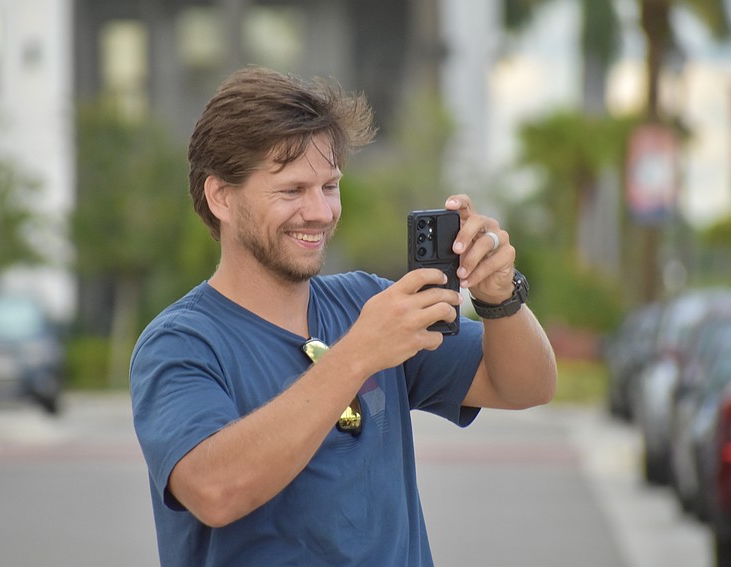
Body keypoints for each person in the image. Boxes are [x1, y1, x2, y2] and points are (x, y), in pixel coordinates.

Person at [130, 66, 557, 567]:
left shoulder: (367, 302)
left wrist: (499, 298)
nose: (320, 212)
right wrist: (356, 355)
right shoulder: (179, 343)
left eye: (329, 186)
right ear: (220, 196)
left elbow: (525, 387)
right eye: (292, 191)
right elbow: (214, 491)